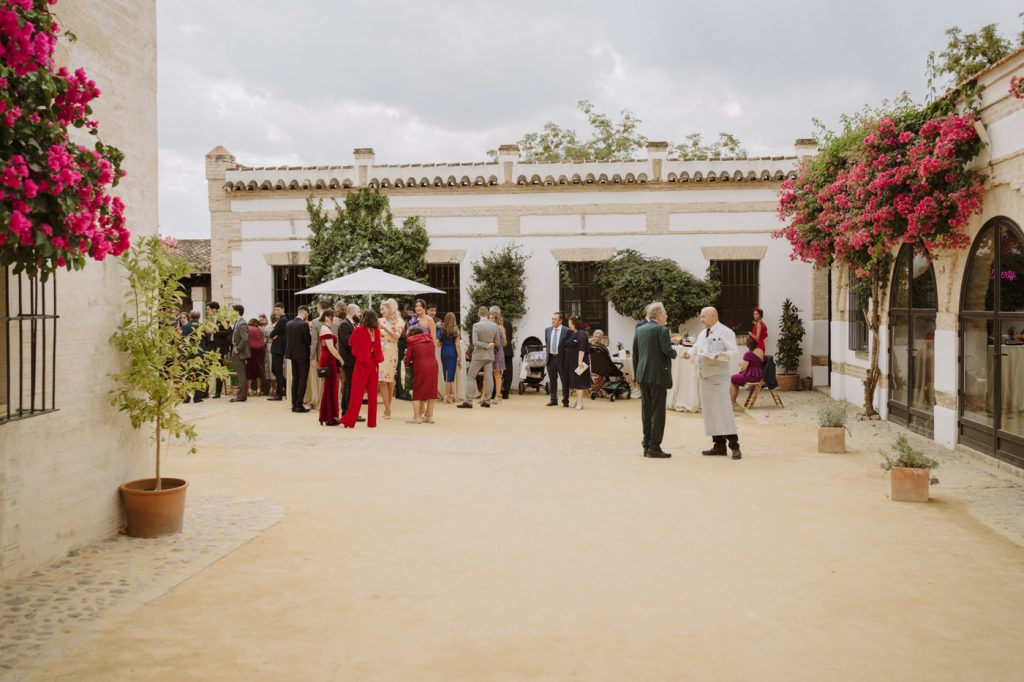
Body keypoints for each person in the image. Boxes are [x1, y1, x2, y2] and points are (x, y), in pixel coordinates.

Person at [682, 306, 742, 460]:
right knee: (710, 412)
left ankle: (735, 446)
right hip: (705, 376)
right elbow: (697, 347)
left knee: (723, 410)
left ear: (713, 316)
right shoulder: (703, 333)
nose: (701, 319)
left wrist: (718, 356)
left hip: (718, 376)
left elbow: (734, 353)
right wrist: (689, 353)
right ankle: (718, 445)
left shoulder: (726, 332)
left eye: (703, 316)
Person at [632, 302, 677, 458]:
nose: (666, 316)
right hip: (657, 375)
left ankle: (646, 444)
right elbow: (667, 350)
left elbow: (635, 354)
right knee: (658, 412)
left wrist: (636, 375)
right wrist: (676, 353)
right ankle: (655, 447)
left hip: (643, 375)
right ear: (658, 315)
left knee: (646, 409)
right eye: (665, 313)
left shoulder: (640, 329)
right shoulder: (662, 330)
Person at [341, 309, 384, 428]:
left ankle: (349, 420)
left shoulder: (359, 330)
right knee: (372, 394)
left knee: (357, 393)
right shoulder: (376, 331)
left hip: (362, 363)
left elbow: (351, 343)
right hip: (374, 364)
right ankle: (372, 422)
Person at [458, 306, 501, 409]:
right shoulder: (494, 326)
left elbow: (475, 342)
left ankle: (468, 402)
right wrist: (489, 345)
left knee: (470, 377)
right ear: (487, 314)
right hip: (489, 355)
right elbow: (498, 343)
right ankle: (487, 401)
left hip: (478, 355)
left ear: (479, 314)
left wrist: (485, 345)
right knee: (489, 377)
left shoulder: (476, 325)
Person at [405, 325, 439, 423]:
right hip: (433, 365)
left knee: (417, 391)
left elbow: (407, 359)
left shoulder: (412, 342)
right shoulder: (430, 340)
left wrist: (408, 361)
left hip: (421, 367)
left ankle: (417, 417)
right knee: (432, 391)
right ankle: (429, 416)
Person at [378, 298, 405, 419]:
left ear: (389, 309)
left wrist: (384, 328)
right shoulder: (380, 320)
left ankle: (388, 407)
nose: (381, 311)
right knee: (382, 381)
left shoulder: (399, 321)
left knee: (389, 382)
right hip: (380, 352)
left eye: (383, 308)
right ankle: (387, 409)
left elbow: (396, 336)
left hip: (391, 352)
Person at [317, 309, 344, 426]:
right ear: (328, 317)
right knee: (331, 387)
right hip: (329, 359)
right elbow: (331, 348)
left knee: (330, 387)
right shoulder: (325, 328)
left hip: (328, 358)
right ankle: (330, 417)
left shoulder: (325, 328)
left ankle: (328, 416)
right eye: (334, 316)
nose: (336, 318)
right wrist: (340, 359)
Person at [284, 305, 312, 413]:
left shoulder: (289, 323)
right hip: (303, 355)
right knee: (302, 380)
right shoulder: (303, 325)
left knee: (295, 379)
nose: (307, 316)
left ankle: (294, 404)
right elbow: (308, 341)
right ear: (304, 312)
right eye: (307, 313)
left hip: (292, 355)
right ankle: (299, 405)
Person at [305, 300, 332, 409]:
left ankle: (321, 402)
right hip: (334, 352)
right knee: (332, 378)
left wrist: (312, 357)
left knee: (322, 378)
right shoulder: (336, 320)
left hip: (322, 353)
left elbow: (314, 342)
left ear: (319, 308)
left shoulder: (316, 322)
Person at [203, 301, 232, 399]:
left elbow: (227, 332)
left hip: (219, 348)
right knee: (206, 369)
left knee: (218, 370)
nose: (207, 311)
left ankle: (218, 392)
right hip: (209, 347)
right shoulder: (209, 320)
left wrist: (215, 332)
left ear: (214, 309)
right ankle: (205, 392)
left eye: (208, 309)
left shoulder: (222, 319)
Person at [337, 303, 361, 419]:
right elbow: (349, 343)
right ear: (352, 312)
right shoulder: (344, 325)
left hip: (353, 359)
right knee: (349, 385)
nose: (360, 314)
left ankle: (349, 411)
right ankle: (347, 412)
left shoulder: (352, 324)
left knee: (350, 385)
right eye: (358, 312)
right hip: (349, 360)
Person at [565, 315, 592, 410]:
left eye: (570, 324)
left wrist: (579, 361)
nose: (569, 325)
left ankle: (580, 402)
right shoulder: (572, 333)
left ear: (574, 324)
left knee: (579, 381)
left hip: (579, 361)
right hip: (572, 361)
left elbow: (582, 348)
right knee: (575, 381)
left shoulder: (581, 333)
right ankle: (578, 401)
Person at [544, 312, 570, 407]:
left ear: (560, 320)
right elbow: (547, 344)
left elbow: (568, 346)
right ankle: (553, 399)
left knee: (564, 380)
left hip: (562, 359)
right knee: (552, 380)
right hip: (550, 358)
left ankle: (565, 400)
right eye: (552, 319)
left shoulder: (566, 331)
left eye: (555, 319)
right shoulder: (548, 330)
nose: (553, 320)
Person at [730, 336, 765, 405]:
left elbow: (743, 368)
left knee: (733, 378)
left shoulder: (748, 354)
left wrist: (740, 364)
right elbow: (756, 363)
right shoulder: (760, 351)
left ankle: (732, 402)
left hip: (752, 376)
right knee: (736, 378)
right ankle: (733, 402)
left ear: (748, 345)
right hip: (759, 376)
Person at [438, 312, 461, 404]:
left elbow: (438, 343)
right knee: (450, 376)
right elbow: (457, 344)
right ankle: (446, 396)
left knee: (447, 373)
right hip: (452, 353)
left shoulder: (441, 330)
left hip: (443, 352)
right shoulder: (456, 330)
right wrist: (459, 357)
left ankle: (451, 395)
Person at [267, 302, 288, 401]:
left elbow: (273, 332)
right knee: (275, 370)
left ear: (283, 309)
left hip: (279, 348)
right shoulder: (281, 319)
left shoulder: (283, 320)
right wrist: (273, 334)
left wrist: (273, 334)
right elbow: (274, 333)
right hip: (277, 347)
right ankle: (287, 387)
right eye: (275, 310)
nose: (276, 311)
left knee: (277, 370)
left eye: (278, 309)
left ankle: (279, 394)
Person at [229, 304, 250, 403]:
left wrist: (238, 349)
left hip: (239, 352)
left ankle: (241, 396)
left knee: (241, 374)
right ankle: (241, 395)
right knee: (240, 374)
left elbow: (245, 338)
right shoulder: (238, 322)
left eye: (232, 310)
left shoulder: (242, 323)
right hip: (236, 350)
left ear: (237, 312)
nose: (230, 312)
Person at [489, 310, 507, 405]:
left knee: (497, 375)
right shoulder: (496, 328)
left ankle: (497, 396)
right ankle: (497, 396)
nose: (490, 320)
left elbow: (497, 343)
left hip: (497, 353)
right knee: (495, 375)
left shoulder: (497, 328)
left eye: (492, 318)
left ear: (496, 320)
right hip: (495, 353)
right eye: (489, 318)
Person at [246, 318, 266, 396]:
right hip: (260, 351)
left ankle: (249, 390)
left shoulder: (248, 328)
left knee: (249, 370)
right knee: (259, 370)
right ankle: (258, 389)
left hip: (250, 350)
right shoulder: (260, 329)